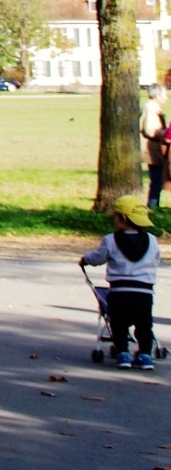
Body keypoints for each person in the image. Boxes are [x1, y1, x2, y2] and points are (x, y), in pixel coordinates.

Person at [82, 194, 159, 370]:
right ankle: (145, 355)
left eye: (116, 217)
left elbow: (98, 257)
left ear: (123, 218)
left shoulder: (110, 240)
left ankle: (123, 353)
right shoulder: (152, 241)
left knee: (118, 323)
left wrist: (85, 260)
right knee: (144, 324)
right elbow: (156, 259)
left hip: (119, 292)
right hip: (144, 292)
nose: (115, 221)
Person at [143, 84, 167, 211]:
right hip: (152, 149)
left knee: (158, 178)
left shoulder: (155, 108)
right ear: (157, 95)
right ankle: (152, 207)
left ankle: (155, 204)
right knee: (156, 178)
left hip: (156, 149)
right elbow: (149, 129)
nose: (166, 98)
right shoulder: (150, 108)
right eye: (164, 95)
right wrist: (164, 133)